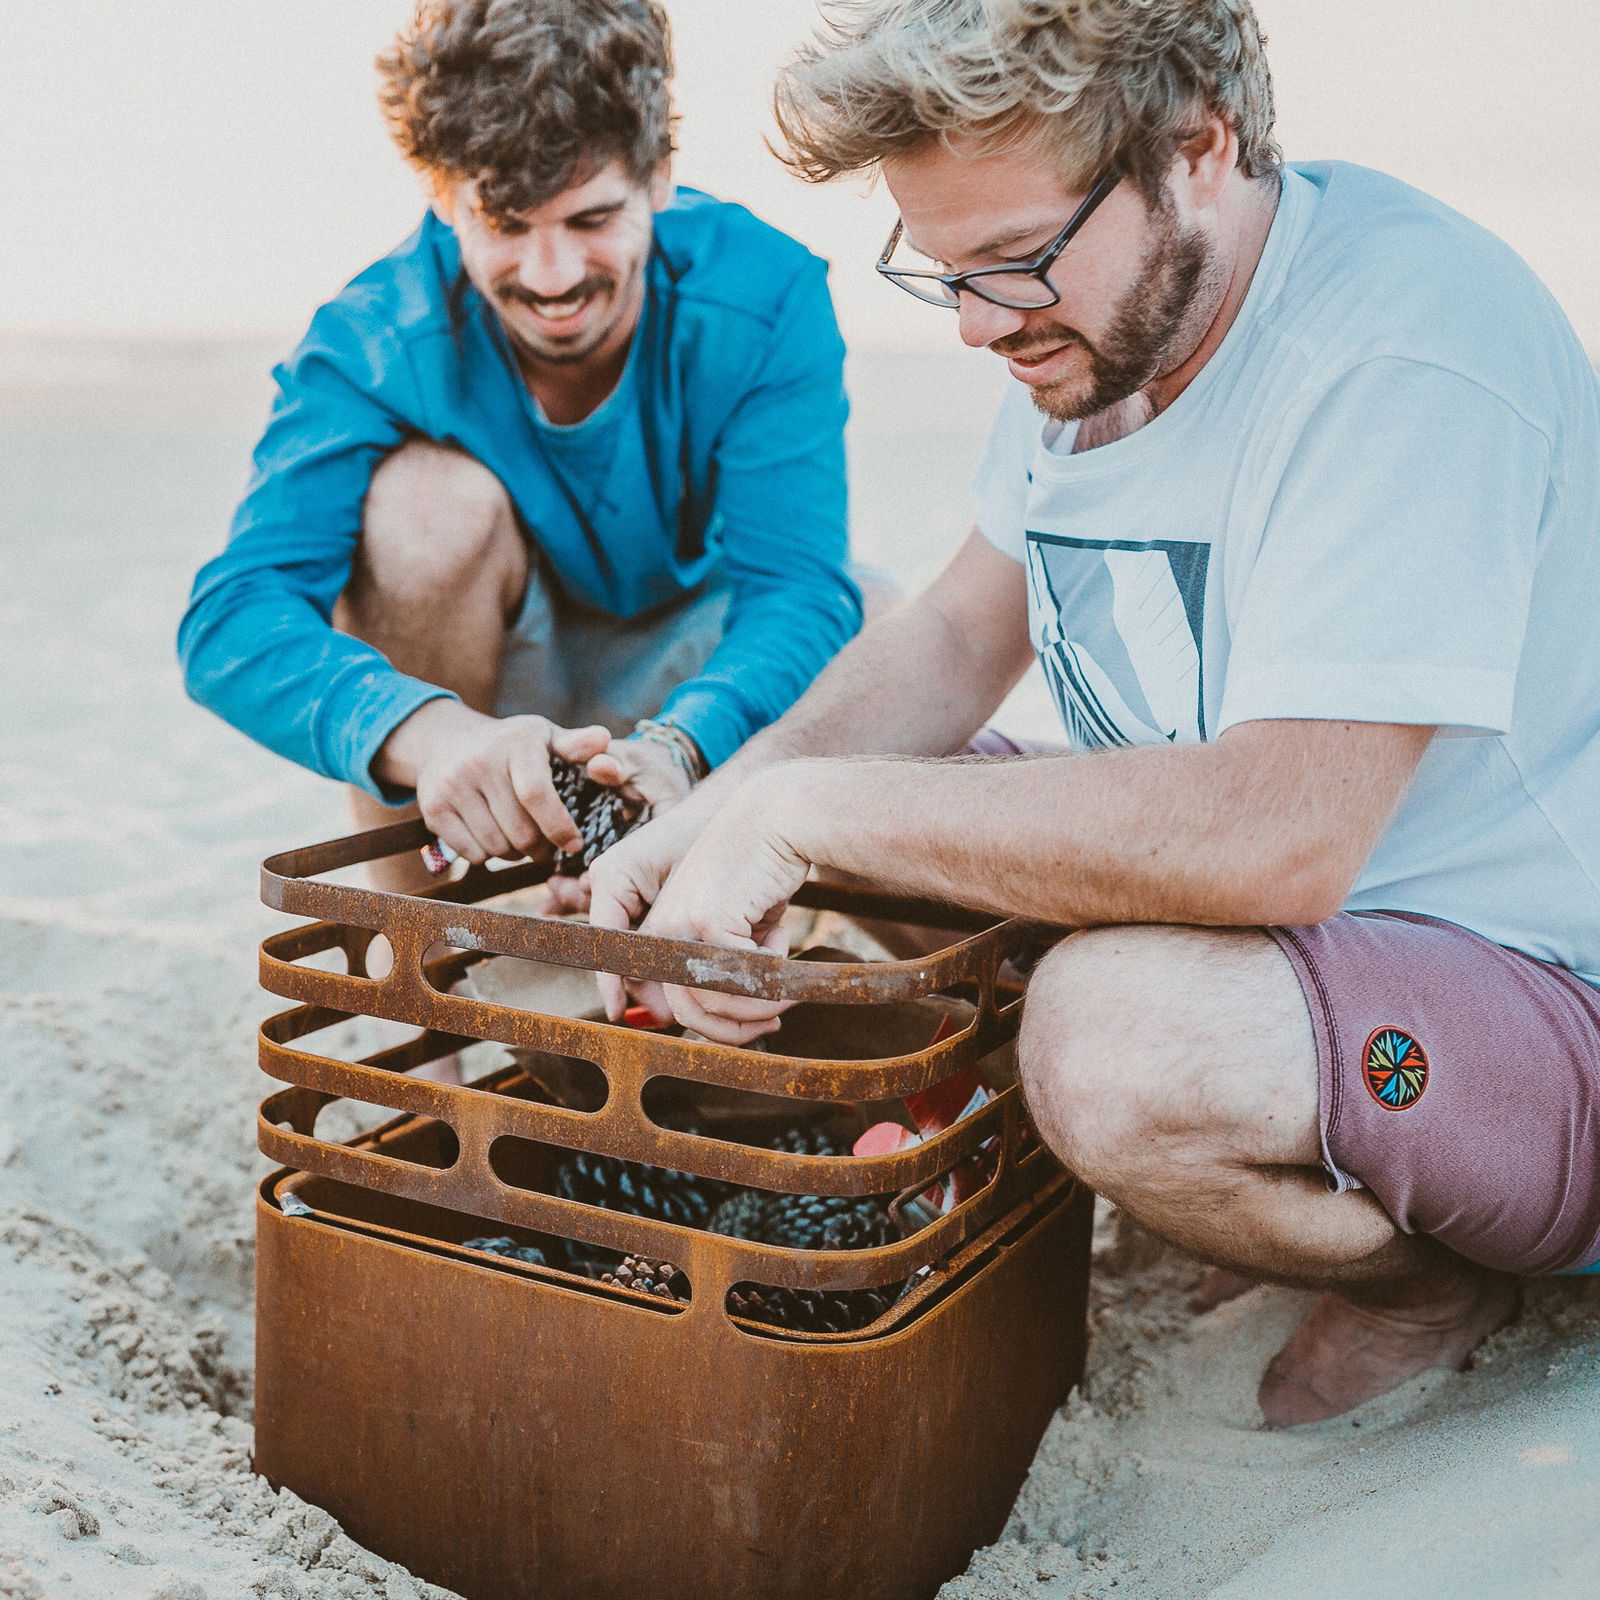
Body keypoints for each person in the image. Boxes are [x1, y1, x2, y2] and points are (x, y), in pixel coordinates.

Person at [586, 0, 1600, 1429]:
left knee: (1111, 1046)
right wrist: (709, 817)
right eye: (947, 273)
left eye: (1013, 263)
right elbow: (947, 640)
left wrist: (802, 815)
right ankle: (1218, 1149)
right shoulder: (1097, 330)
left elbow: (1281, 838)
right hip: (1279, 943)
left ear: (1198, 147)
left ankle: (1424, 1278)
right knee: (865, 805)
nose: (983, 325)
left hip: (1518, 1015)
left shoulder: (1403, 345)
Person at [178, 0, 864, 891]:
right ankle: (426, 946)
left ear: (659, 174)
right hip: (482, 693)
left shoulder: (765, 292)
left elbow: (801, 590)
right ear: (441, 194)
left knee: (880, 627)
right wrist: (430, 734)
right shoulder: (375, 334)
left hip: (695, 669)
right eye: (504, 223)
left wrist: (684, 744)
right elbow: (232, 619)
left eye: (589, 219)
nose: (553, 279)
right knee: (421, 509)